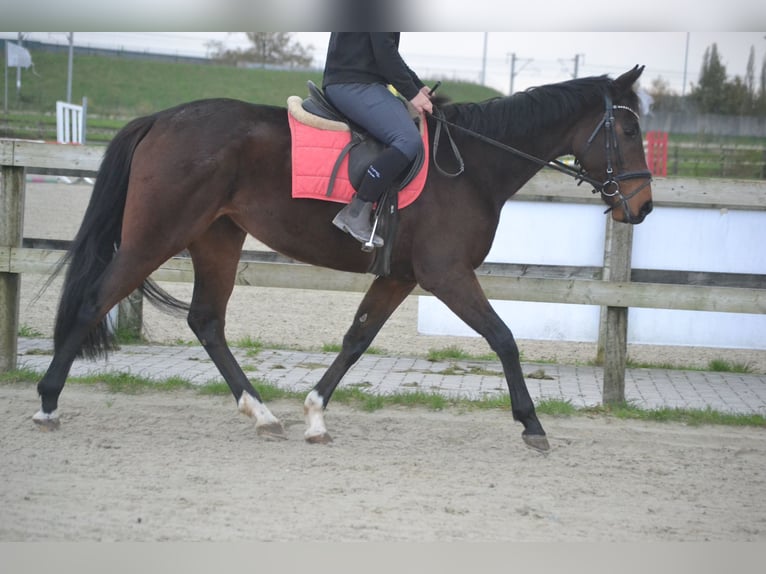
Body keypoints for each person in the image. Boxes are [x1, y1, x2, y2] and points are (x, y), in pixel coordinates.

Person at [322, 33, 434, 248]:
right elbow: (384, 53)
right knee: (408, 139)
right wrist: (411, 93)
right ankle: (357, 212)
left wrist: (417, 86)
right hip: (354, 84)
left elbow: (387, 50)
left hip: (360, 81)